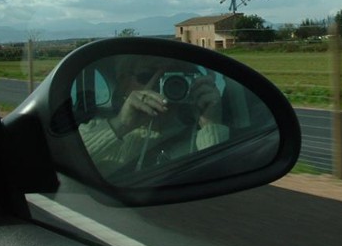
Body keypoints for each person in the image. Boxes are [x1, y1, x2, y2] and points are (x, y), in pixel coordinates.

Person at [78, 55, 229, 178]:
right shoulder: (93, 129)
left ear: (190, 83)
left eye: (172, 76)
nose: (158, 84)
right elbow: (67, 165)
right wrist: (121, 124)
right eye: (147, 75)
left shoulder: (198, 140)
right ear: (124, 83)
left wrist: (211, 125)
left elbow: (217, 182)